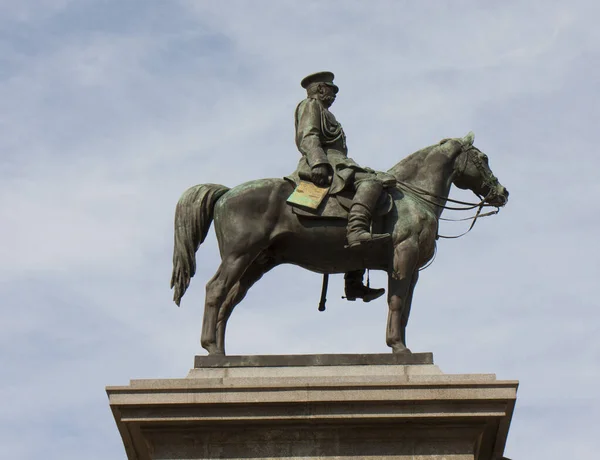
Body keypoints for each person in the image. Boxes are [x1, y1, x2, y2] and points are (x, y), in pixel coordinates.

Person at [294, 71, 394, 302]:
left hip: (339, 163)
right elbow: (308, 137)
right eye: (332, 89)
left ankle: (354, 282)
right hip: (328, 163)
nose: (335, 94)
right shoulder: (310, 105)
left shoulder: (328, 113)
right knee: (371, 181)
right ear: (320, 89)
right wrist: (318, 162)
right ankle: (356, 231)